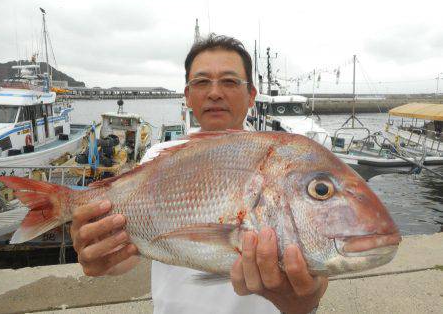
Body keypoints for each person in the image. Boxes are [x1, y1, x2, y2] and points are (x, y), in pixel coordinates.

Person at [70, 34, 328, 314]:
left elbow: (318, 257)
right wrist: (99, 256)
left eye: (229, 81)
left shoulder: (279, 164)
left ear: (251, 94)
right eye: (202, 82)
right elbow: (129, 255)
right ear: (188, 95)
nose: (214, 92)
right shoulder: (158, 157)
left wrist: (306, 301)